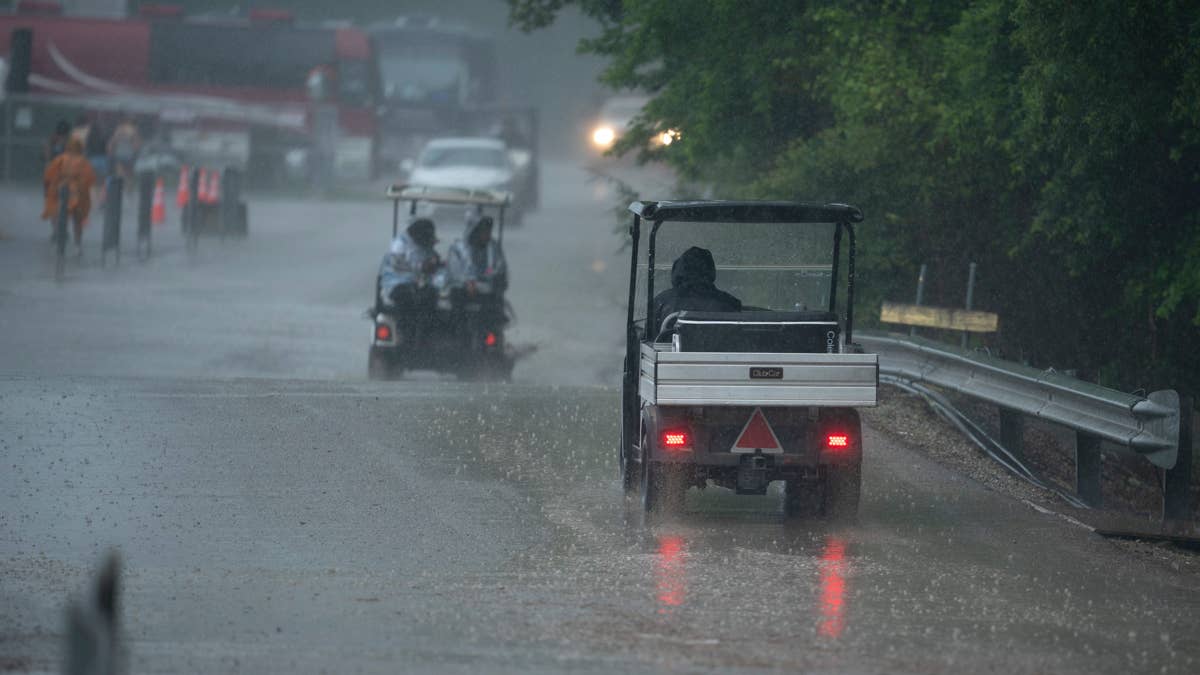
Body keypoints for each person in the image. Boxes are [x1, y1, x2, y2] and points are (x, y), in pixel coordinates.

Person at [651, 246, 742, 331]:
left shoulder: (662, 301)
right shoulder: (729, 303)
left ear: (678, 270)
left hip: (671, 348)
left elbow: (650, 340)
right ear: (711, 271)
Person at [42, 138, 97, 255]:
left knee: (58, 214)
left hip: (60, 191)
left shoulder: (60, 159)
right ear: (80, 149)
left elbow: (48, 175)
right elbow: (90, 179)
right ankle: (77, 245)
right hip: (77, 193)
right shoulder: (83, 162)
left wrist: (48, 190)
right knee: (77, 220)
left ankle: (58, 236)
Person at [378, 218, 442, 311]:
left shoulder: (424, 245)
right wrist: (422, 266)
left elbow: (431, 257)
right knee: (406, 297)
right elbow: (399, 264)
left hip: (420, 284)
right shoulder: (399, 245)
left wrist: (435, 261)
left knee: (430, 296)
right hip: (397, 283)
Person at [446, 212, 507, 296]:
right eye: (484, 231)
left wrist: (488, 274)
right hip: (462, 288)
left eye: (489, 230)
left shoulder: (494, 247)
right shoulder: (457, 248)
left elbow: (499, 268)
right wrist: (467, 282)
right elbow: (454, 271)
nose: (488, 234)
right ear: (474, 231)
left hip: (487, 287)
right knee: (455, 292)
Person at [106, 115, 141, 182]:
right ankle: (123, 185)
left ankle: (127, 187)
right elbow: (110, 145)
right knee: (121, 175)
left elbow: (137, 146)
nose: (126, 127)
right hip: (120, 156)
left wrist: (133, 136)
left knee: (127, 175)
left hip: (129, 156)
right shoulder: (118, 131)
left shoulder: (134, 132)